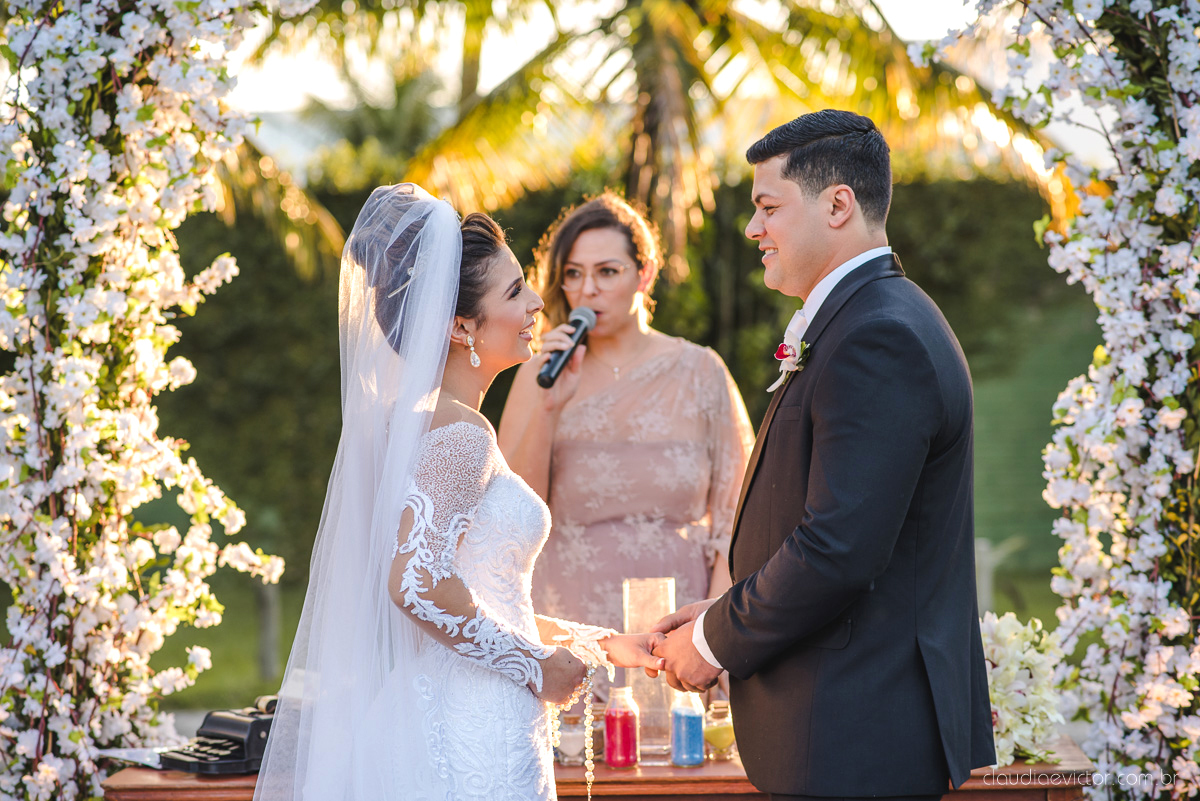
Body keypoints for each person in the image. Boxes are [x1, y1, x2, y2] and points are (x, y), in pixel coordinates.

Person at [254, 184, 665, 801]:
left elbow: (482, 596)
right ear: (459, 326)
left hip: (452, 710)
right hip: (473, 730)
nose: (535, 302)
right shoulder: (458, 432)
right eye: (514, 291)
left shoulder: (421, 422)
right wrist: (534, 668)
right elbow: (415, 583)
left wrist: (602, 644)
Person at [649, 110, 997, 799]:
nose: (753, 229)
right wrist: (723, 606)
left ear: (838, 204)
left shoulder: (879, 337)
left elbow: (838, 546)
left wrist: (715, 640)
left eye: (768, 206)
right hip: (840, 731)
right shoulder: (867, 318)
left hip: (852, 738)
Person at [498, 191, 754, 661]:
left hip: (682, 627)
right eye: (573, 274)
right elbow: (513, 512)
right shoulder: (538, 373)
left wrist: (716, 631)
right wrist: (548, 406)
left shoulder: (701, 371)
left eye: (607, 271)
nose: (588, 289)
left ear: (646, 273)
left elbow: (736, 514)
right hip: (574, 626)